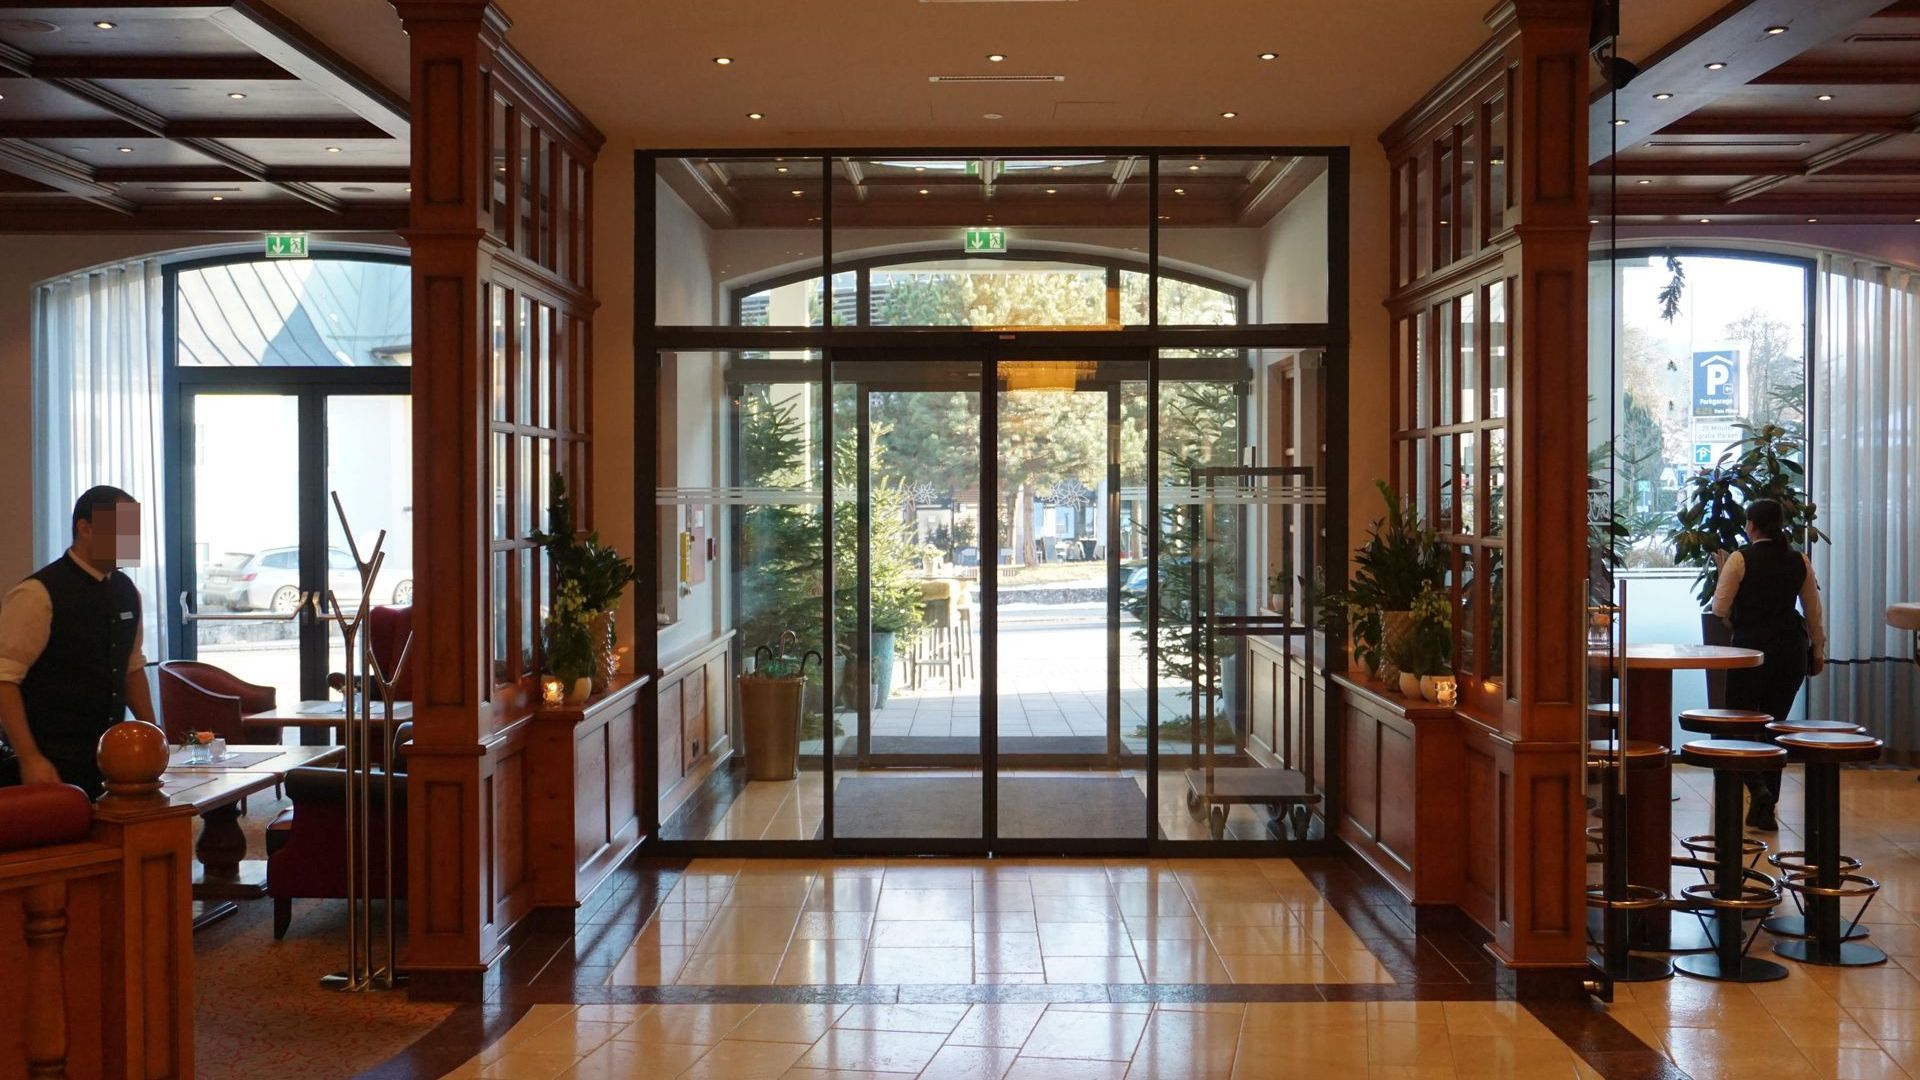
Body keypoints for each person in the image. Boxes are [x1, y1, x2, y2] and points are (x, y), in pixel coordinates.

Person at [0, 486, 158, 799]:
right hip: (50, 760)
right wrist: (31, 758)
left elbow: (132, 666)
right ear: (84, 528)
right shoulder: (37, 594)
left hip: (112, 761)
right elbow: (4, 677)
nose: (130, 541)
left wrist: (155, 737)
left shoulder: (128, 591)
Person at [1711, 497, 1826, 831]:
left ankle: (1756, 788)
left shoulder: (1739, 559)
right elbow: (1813, 611)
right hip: (1791, 649)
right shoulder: (1798, 560)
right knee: (1775, 725)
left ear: (1751, 525)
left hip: (1751, 651)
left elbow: (1720, 607)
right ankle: (1765, 807)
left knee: (1740, 723)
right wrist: (1817, 649)